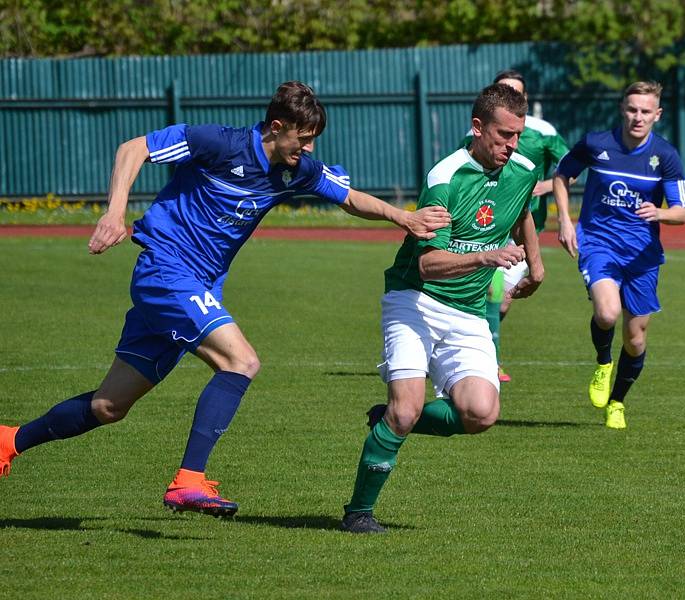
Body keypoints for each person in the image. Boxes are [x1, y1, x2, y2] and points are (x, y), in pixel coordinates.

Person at [0, 81, 450, 517]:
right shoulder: (219, 143)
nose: (309, 149)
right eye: (304, 138)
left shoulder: (295, 171)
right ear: (276, 126)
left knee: (108, 406)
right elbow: (133, 148)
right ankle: (189, 481)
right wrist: (115, 212)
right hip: (166, 271)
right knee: (241, 362)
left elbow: (348, 197)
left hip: (195, 286)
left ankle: (10, 441)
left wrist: (403, 218)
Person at [340, 83, 545, 534]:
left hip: (468, 311)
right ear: (477, 128)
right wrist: (485, 257)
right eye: (503, 135)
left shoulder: (524, 168)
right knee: (408, 408)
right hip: (415, 302)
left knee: (481, 413)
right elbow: (429, 265)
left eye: (517, 136)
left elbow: (524, 210)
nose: (511, 146)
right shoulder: (444, 179)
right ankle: (358, 512)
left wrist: (536, 262)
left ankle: (390, 419)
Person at [553, 81, 685, 429]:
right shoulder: (597, 143)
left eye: (646, 111)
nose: (638, 117)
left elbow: (682, 211)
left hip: (642, 256)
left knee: (636, 337)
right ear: (622, 108)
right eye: (632, 109)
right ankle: (603, 363)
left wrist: (659, 213)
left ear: (657, 115)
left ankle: (617, 401)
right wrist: (566, 222)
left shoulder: (666, 156)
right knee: (607, 311)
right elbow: (562, 176)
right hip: (598, 242)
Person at [475, 70, 572, 383]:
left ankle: (481, 353)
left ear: (525, 99)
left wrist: (542, 187)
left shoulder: (543, 132)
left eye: (515, 92)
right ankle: (488, 362)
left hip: (525, 232)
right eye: (503, 90)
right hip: (491, 232)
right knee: (492, 293)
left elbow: (571, 166)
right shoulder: (480, 133)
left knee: (499, 299)